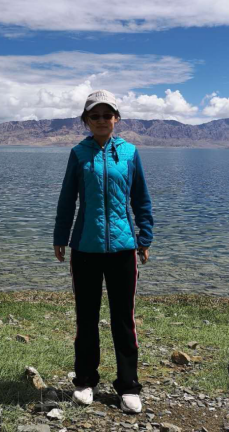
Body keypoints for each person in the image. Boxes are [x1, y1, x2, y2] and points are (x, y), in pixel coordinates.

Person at [53, 90, 154, 415]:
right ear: (86, 120)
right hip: (85, 247)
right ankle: (85, 381)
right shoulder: (78, 154)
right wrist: (60, 236)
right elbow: (67, 198)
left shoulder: (130, 153)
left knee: (123, 319)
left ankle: (128, 386)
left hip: (123, 249)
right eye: (94, 116)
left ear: (116, 118)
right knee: (87, 317)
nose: (101, 120)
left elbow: (141, 198)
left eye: (106, 115)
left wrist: (145, 237)